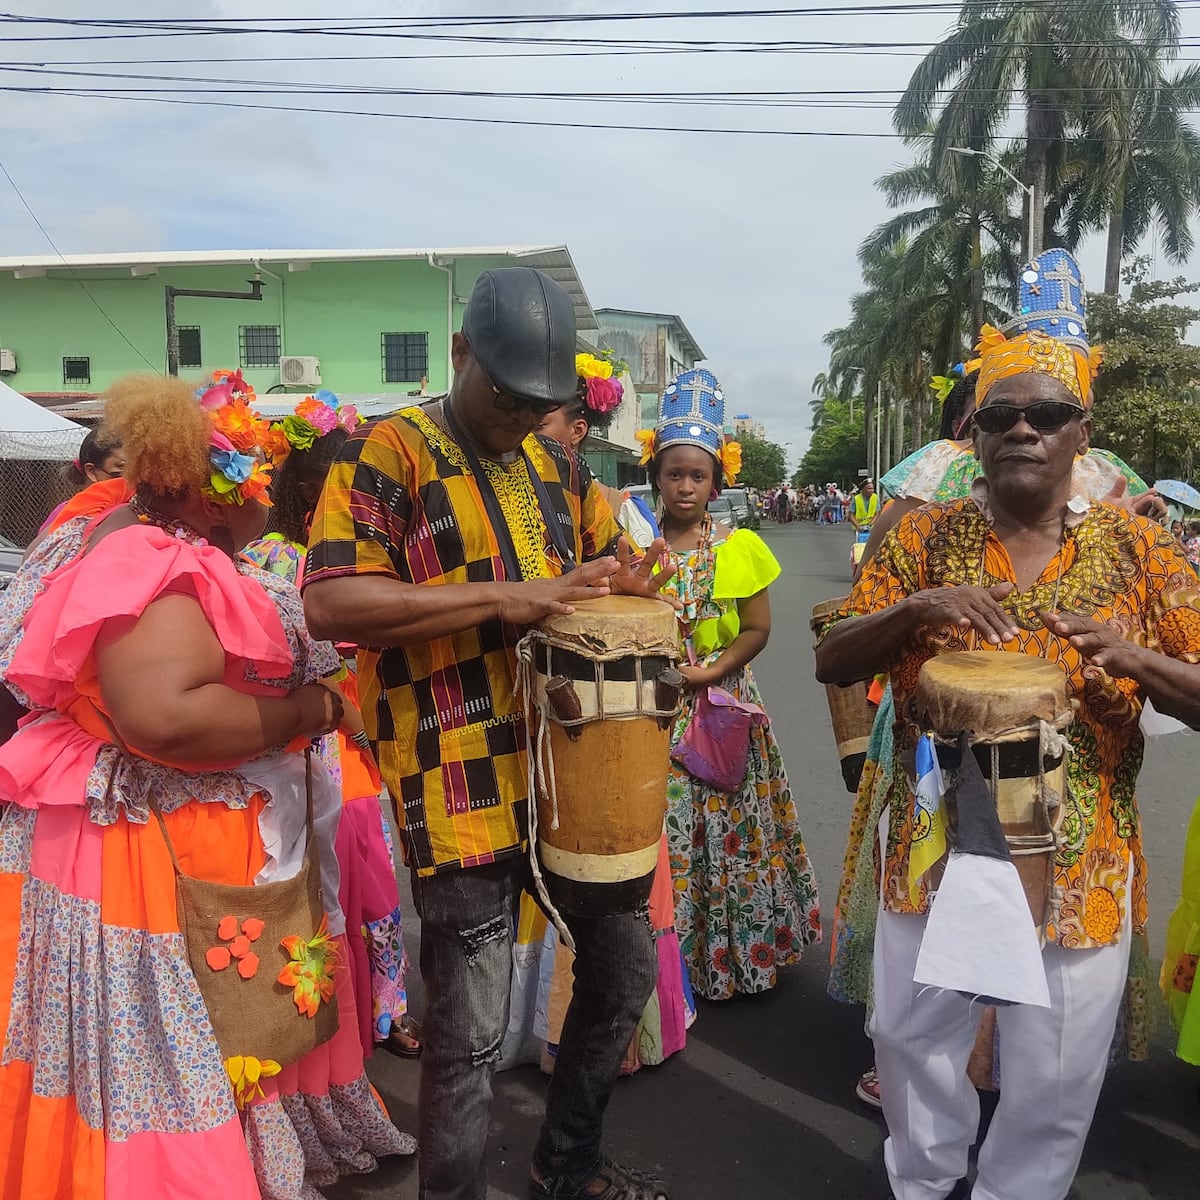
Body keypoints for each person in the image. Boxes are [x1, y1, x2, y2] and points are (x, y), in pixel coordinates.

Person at [814, 252, 1200, 1200]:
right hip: (935, 846)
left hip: (1082, 853)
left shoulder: (1140, 549)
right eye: (1000, 415)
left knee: (1057, 1067)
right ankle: (924, 1179)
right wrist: (912, 613)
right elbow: (832, 660)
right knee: (910, 1039)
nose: (1022, 429)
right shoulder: (918, 537)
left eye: (1046, 415)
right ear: (972, 434)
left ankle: (1016, 1190)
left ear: (1083, 434)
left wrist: (1135, 657)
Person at [303, 267, 677, 1200]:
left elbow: (598, 566)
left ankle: (566, 1169)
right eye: (505, 395)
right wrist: (507, 598)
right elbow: (331, 601)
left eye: (539, 402)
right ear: (461, 353)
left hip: (568, 776)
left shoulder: (556, 466)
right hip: (455, 773)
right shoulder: (387, 454)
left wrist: (626, 579)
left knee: (624, 970)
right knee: (467, 1035)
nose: (519, 416)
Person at [0, 372, 414, 1199]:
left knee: (204, 1033)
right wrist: (313, 706)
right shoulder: (155, 556)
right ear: (218, 496)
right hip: (143, 851)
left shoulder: (133, 534)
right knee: (167, 1049)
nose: (272, 500)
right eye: (259, 480)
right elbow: (166, 719)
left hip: (161, 834)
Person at [524, 354, 696, 1076]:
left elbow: (616, 590)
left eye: (559, 420)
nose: (559, 432)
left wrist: (626, 586)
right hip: (525, 720)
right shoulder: (493, 489)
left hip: (594, 738)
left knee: (611, 900)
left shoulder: (592, 499)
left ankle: (597, 1052)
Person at [242, 387, 421, 1060]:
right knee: (339, 884)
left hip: (338, 747)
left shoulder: (326, 559)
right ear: (316, 497)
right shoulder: (282, 563)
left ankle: (362, 1015)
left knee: (349, 884)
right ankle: (356, 1017)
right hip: (320, 745)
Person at [637, 369, 821, 1000]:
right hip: (653, 710)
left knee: (728, 829)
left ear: (719, 481)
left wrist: (709, 674)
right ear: (655, 475)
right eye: (673, 474)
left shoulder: (738, 546)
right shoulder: (635, 544)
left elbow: (757, 630)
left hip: (720, 708)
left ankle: (734, 956)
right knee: (665, 831)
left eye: (698, 476)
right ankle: (670, 968)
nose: (685, 487)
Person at [37, 426, 125, 534]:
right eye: (122, 467)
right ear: (91, 471)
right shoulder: (68, 514)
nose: (134, 476)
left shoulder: (136, 509)